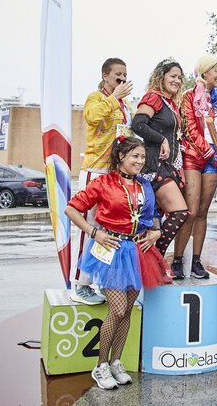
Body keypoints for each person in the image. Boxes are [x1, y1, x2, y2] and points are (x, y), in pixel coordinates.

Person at [65, 136, 170, 390]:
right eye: (135, 156)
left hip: (139, 251)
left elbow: (153, 218)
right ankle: (100, 366)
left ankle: (116, 362)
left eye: (143, 157)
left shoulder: (145, 185)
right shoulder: (103, 183)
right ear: (121, 156)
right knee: (118, 309)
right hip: (111, 250)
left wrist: (156, 233)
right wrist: (94, 233)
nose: (140, 161)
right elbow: (71, 209)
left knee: (128, 310)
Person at [72, 57, 133, 305]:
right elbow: (92, 118)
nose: (122, 78)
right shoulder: (96, 98)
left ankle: (97, 280)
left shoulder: (125, 104)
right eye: (118, 74)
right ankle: (79, 283)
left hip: (115, 173)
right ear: (105, 76)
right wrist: (114, 97)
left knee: (108, 229)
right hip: (95, 170)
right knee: (89, 227)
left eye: (125, 74)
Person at [171, 55, 217, 280]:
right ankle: (177, 260)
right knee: (191, 211)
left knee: (203, 212)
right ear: (205, 72)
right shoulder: (189, 96)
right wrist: (211, 154)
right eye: (216, 71)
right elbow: (190, 129)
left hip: (214, 160)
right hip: (193, 157)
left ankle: (196, 260)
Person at [131, 59, 190, 257]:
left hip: (169, 165)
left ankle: (151, 260)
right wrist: (161, 139)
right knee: (179, 212)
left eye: (180, 77)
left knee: (155, 221)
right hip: (154, 165)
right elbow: (138, 124)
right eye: (173, 76)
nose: (177, 81)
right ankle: (156, 256)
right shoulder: (153, 98)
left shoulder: (171, 103)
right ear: (161, 77)